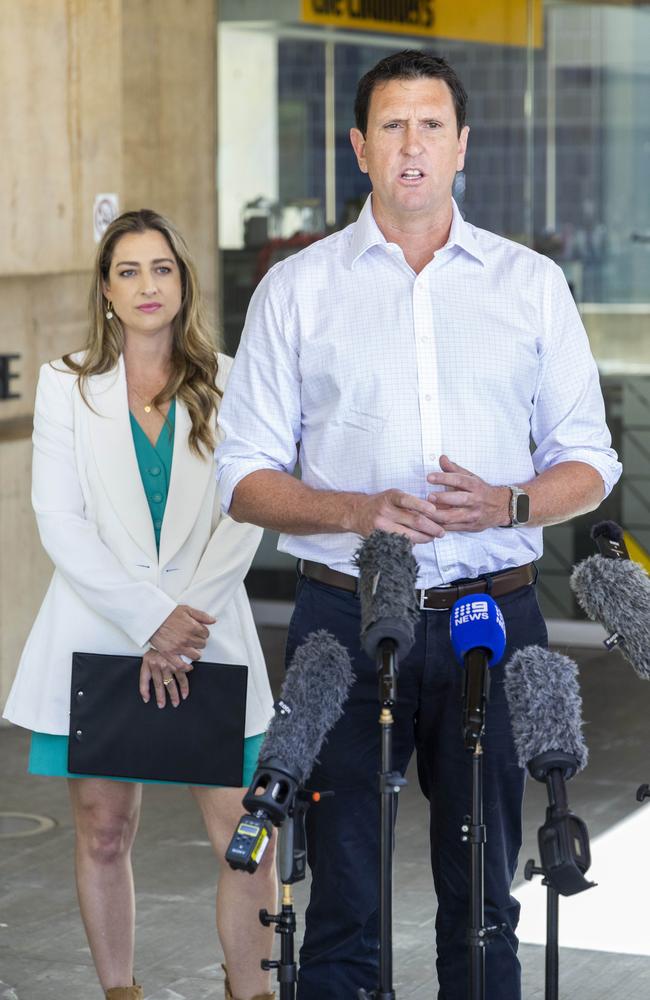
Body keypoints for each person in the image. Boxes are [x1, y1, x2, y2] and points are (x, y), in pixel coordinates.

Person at [215, 50, 623, 1000]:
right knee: (345, 901)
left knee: (485, 902)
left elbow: (592, 461)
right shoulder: (298, 290)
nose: (412, 146)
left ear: (462, 145)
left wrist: (510, 502)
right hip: (344, 627)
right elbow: (242, 479)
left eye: (431, 125)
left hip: (494, 623)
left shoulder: (530, 285)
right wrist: (360, 512)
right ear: (359, 148)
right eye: (391, 126)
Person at [3, 210, 277, 1000]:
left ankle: (250, 992)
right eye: (129, 270)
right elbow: (60, 521)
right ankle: (120, 991)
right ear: (107, 289)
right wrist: (146, 619)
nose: (147, 285)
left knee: (245, 836)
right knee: (104, 831)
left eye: (162, 268)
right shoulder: (67, 387)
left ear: (183, 283)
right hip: (99, 634)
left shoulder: (231, 382)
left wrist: (181, 620)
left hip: (208, 633)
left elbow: (245, 509)